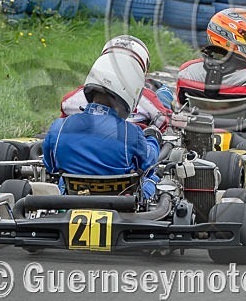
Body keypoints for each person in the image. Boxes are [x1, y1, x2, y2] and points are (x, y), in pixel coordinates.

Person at [42, 37, 162, 199]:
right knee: (153, 179)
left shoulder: (58, 128)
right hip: (121, 205)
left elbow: (51, 167)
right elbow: (148, 164)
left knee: (62, 181)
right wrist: (153, 138)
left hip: (72, 200)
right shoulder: (130, 133)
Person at [60, 35, 172, 132]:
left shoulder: (73, 99)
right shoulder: (148, 98)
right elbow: (164, 123)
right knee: (163, 94)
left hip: (81, 146)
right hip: (130, 150)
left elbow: (63, 116)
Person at [175, 7, 246, 105]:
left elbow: (181, 103)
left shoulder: (187, 71)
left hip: (198, 118)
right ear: (230, 37)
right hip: (241, 119)